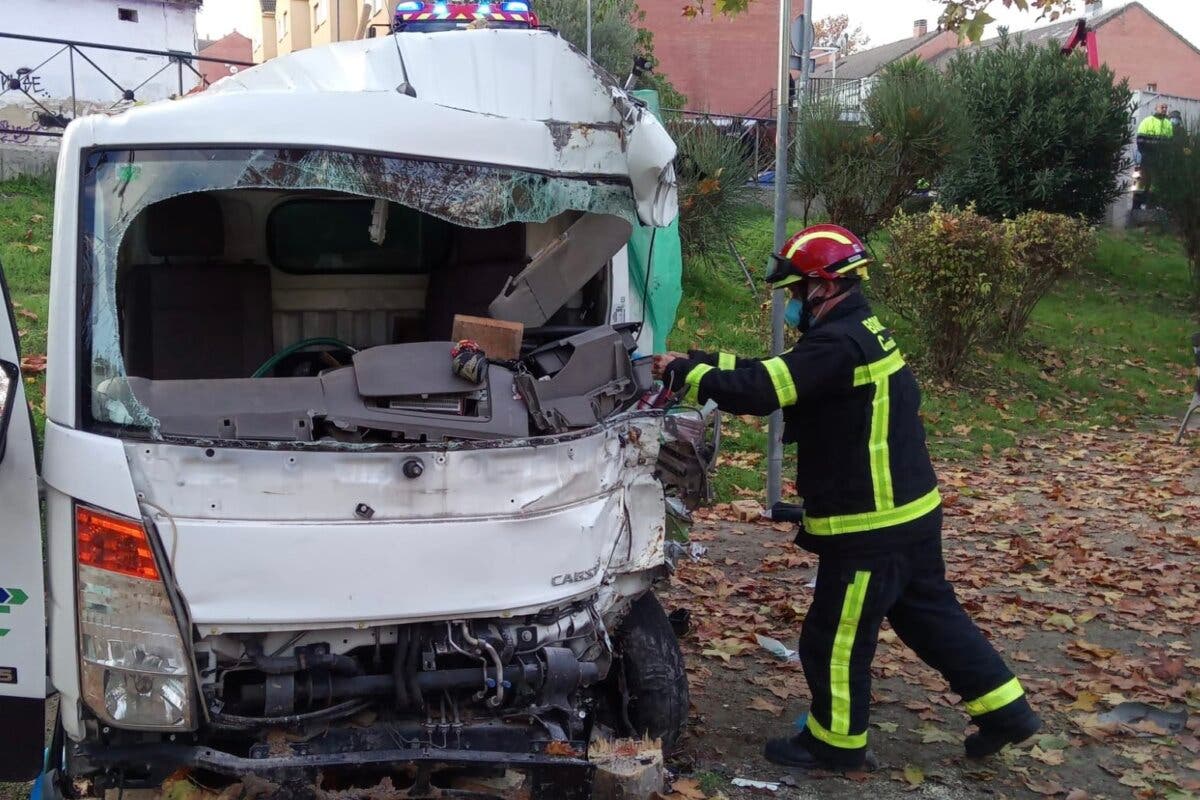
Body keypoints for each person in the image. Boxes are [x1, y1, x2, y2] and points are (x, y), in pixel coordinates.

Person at [653, 224, 1041, 773]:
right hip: (909, 513)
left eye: (794, 293)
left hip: (872, 528)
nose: (791, 305)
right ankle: (1008, 711)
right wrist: (699, 357)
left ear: (822, 287)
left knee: (833, 637)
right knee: (930, 616)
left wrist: (688, 376)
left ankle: (836, 744)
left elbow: (766, 391)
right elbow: (783, 371)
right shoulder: (857, 329)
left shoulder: (838, 342)